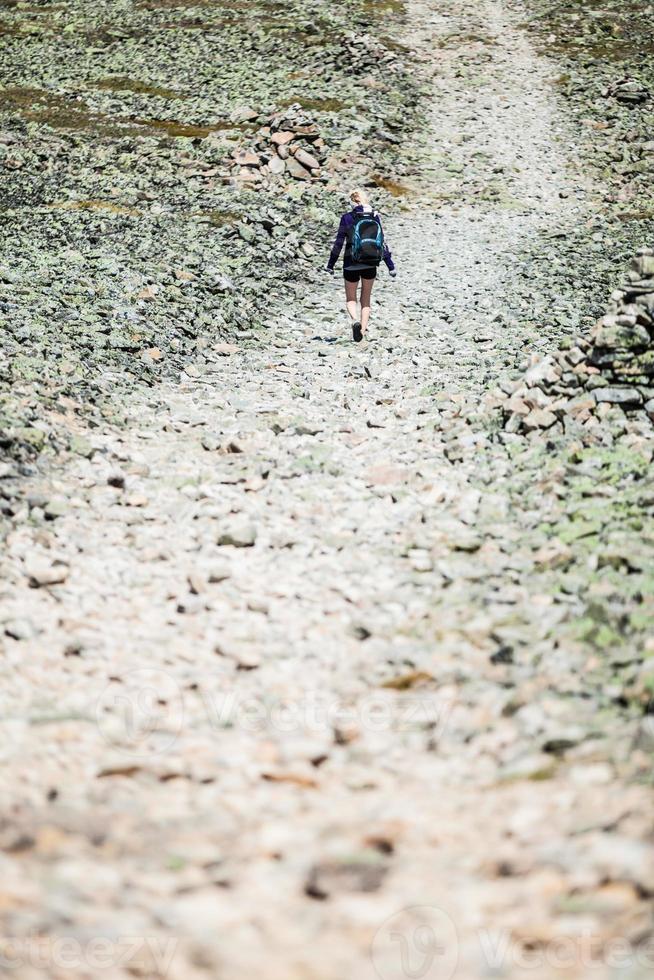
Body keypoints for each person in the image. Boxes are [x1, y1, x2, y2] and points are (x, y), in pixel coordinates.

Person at [325, 189, 396, 342]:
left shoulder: (347, 218)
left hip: (351, 263)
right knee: (366, 298)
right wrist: (390, 266)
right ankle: (362, 331)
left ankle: (355, 320)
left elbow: (338, 243)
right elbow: (382, 243)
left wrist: (331, 264)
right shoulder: (375, 217)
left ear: (352, 202)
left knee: (351, 298)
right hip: (370, 262)